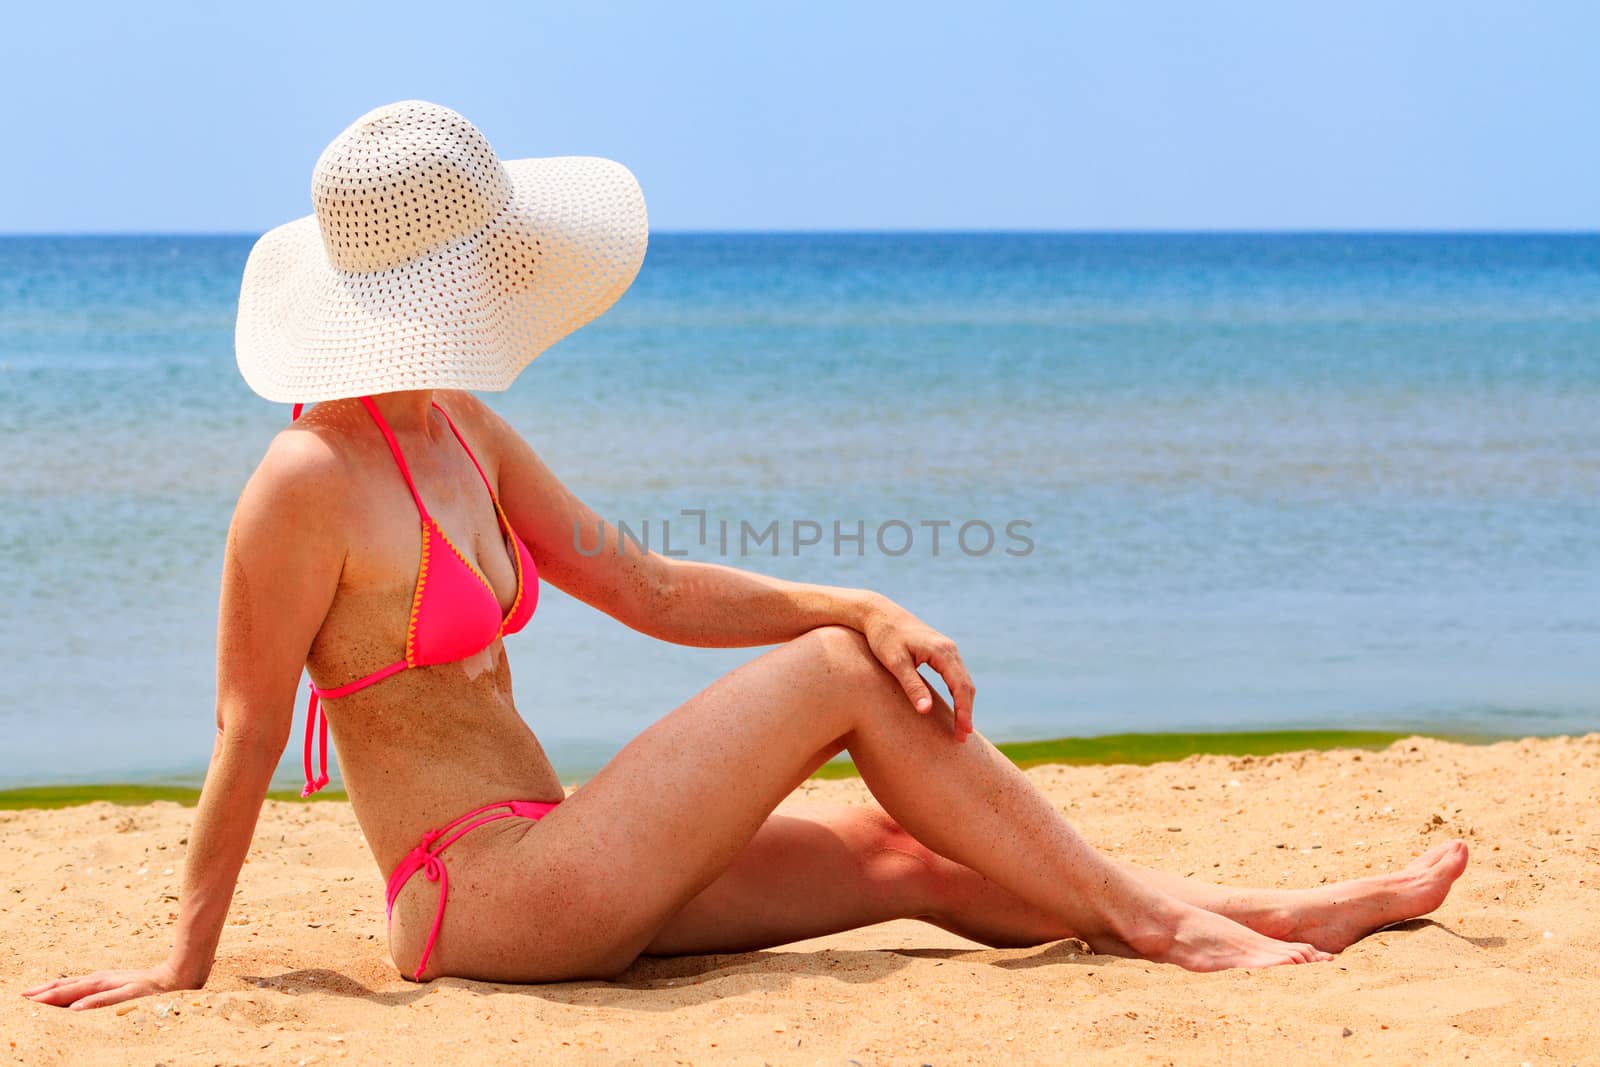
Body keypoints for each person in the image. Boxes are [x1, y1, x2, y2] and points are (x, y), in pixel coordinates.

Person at [24, 101, 1468, 1011]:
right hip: (481, 903)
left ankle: (1275, 909)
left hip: (564, 851)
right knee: (840, 677)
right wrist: (184, 960)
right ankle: (1173, 931)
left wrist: (859, 588)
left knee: (910, 853)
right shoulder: (301, 480)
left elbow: (645, 590)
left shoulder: (457, 429)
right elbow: (246, 727)